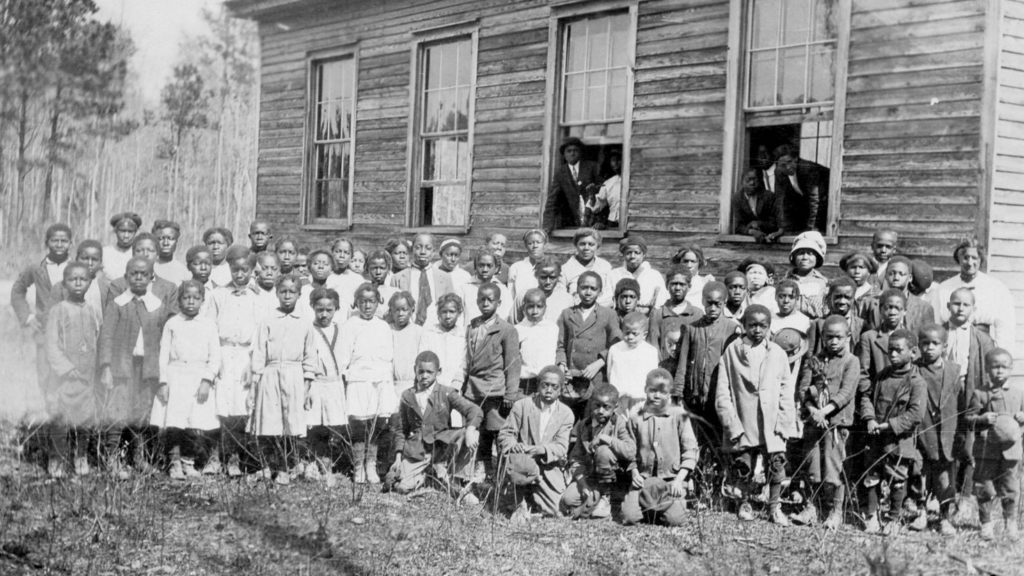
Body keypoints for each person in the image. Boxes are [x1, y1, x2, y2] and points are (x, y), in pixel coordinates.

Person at [716, 304, 796, 525]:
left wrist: (784, 419)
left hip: (771, 420)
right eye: (752, 325)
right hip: (744, 417)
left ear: (770, 328)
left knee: (777, 464)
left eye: (763, 326)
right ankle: (744, 502)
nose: (757, 330)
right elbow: (723, 391)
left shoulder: (778, 353)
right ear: (743, 326)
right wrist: (731, 422)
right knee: (743, 465)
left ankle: (774, 506)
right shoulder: (733, 351)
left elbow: (786, 390)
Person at [98, 257, 170, 479]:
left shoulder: (157, 306)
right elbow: (106, 337)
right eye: (134, 274)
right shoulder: (118, 303)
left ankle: (137, 458)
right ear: (126, 276)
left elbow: (162, 340)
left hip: (146, 368)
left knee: (141, 412)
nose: (139, 278)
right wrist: (106, 367)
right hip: (122, 367)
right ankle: (111, 458)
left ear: (151, 277)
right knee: (118, 411)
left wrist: (161, 374)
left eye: (143, 274)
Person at [790, 315, 859, 530]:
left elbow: (846, 393)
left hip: (837, 423)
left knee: (833, 467)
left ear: (848, 337)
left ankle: (836, 511)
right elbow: (803, 389)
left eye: (839, 337)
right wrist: (812, 411)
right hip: (814, 423)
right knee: (813, 465)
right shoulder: (814, 360)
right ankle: (812, 507)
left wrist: (825, 411)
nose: (834, 342)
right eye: (829, 337)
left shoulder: (851, 361)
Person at [248, 274, 317, 485]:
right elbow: (259, 351)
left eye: (292, 292)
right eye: (283, 291)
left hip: (294, 374)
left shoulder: (305, 322)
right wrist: (256, 380)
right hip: (270, 373)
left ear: (299, 294)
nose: (287, 296)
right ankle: (268, 466)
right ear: (277, 293)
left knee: (291, 423)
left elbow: (309, 355)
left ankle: (287, 467)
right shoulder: (268, 320)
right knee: (270, 421)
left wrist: (306, 385)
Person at [151, 280, 221, 480]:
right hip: (176, 376)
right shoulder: (172, 324)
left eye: (196, 298)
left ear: (202, 300)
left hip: (198, 377)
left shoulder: (208, 325)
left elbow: (215, 357)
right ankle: (173, 462)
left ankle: (188, 462)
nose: (191, 302)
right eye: (186, 298)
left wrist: (207, 380)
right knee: (174, 424)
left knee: (193, 422)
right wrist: (163, 382)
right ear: (180, 300)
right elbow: (163, 355)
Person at [389, 351, 482, 501]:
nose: (424, 376)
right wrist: (398, 455)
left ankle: (459, 483)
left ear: (438, 372)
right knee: (401, 487)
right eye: (421, 371)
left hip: (441, 445)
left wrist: (470, 430)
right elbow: (401, 428)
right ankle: (427, 474)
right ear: (415, 370)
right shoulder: (407, 396)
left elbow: (474, 410)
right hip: (418, 448)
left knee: (470, 434)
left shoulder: (446, 393)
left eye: (429, 372)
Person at [859, 329, 926, 534]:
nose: (893, 355)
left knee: (897, 476)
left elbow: (915, 414)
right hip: (876, 435)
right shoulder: (882, 376)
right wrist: (870, 418)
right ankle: (871, 516)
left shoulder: (917, 382)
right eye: (890, 350)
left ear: (913, 352)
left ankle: (893, 518)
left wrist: (890, 426)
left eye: (898, 350)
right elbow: (867, 398)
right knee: (872, 474)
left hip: (899, 439)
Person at [622, 368, 699, 527]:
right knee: (629, 517)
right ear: (645, 390)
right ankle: (649, 505)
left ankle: (662, 507)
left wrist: (678, 480)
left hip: (671, 481)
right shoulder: (636, 418)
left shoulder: (679, 415)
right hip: (643, 480)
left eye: (663, 392)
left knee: (675, 520)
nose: (657, 396)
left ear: (669, 394)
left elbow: (691, 451)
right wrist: (634, 472)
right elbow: (628, 451)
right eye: (652, 391)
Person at [43, 262, 100, 477]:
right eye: (72, 279)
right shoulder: (58, 310)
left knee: (84, 419)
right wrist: (66, 369)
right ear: (64, 283)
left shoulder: (92, 310)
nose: (78, 283)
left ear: (89, 282)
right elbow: (51, 344)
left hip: (86, 377)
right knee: (60, 418)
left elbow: (95, 340)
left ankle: (81, 455)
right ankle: (57, 457)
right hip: (64, 378)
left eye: (83, 279)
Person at [207, 250, 260, 478]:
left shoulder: (257, 299)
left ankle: (235, 458)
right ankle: (214, 457)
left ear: (251, 271)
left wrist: (252, 365)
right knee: (219, 407)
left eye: (244, 270)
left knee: (240, 408)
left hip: (245, 356)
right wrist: (214, 360)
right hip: (222, 352)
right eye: (235, 270)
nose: (240, 274)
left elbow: (259, 336)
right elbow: (209, 329)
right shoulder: (218, 295)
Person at [943, 287, 995, 514]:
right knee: (945, 439)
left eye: (966, 305)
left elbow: (989, 371)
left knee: (968, 442)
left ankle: (964, 495)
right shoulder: (939, 333)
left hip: (970, 390)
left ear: (973, 309)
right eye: (956, 303)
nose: (960, 308)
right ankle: (942, 493)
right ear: (948, 307)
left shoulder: (982, 339)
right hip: (945, 392)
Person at [498, 366, 574, 521]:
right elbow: (506, 434)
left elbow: (561, 447)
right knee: (519, 464)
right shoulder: (522, 405)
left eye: (554, 387)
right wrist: (514, 446)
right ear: (538, 385)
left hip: (547, 465)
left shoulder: (566, 414)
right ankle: (519, 501)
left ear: (560, 390)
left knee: (556, 510)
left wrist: (539, 450)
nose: (548, 390)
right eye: (545, 385)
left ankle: (533, 494)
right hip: (522, 461)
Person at [338, 283, 395, 484]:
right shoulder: (349, 325)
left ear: (378, 302)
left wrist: (386, 380)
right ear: (357, 303)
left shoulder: (383, 326)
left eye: (371, 301)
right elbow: (342, 357)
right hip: (358, 380)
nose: (367, 306)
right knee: (359, 425)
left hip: (379, 380)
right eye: (363, 302)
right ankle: (358, 466)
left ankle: (371, 465)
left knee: (377, 424)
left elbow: (388, 356)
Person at [465, 282, 522, 481]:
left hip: (495, 390)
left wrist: (510, 393)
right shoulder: (472, 326)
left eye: (490, 300)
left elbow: (513, 363)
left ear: (499, 302)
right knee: (480, 433)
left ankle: (502, 473)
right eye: (482, 299)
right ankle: (484, 468)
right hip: (473, 390)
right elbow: (467, 359)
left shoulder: (506, 329)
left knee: (496, 430)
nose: (486, 303)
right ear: (476, 301)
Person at [674, 282, 742, 448]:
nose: (712, 308)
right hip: (695, 392)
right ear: (703, 301)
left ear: (724, 303)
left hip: (718, 391)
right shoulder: (692, 328)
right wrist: (678, 391)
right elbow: (683, 361)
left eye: (717, 304)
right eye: (709, 303)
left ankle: (718, 469)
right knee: (696, 433)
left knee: (718, 434)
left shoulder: (732, 328)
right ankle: (699, 469)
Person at [966, 348, 1024, 539]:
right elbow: (967, 419)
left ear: (1011, 368)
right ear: (987, 369)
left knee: (1010, 487)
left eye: (1004, 367)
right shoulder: (980, 393)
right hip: (986, 449)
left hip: (1011, 450)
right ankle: (986, 524)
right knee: (985, 487)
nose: (999, 371)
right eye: (995, 367)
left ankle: (1011, 523)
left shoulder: (1018, 392)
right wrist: (981, 419)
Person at [11, 223, 73, 400]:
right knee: (45, 373)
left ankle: (67, 418)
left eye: (64, 241)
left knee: (69, 372)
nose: (59, 244)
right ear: (47, 243)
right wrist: (28, 317)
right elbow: (17, 290)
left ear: (71, 243)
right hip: (45, 330)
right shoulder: (36, 268)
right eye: (55, 240)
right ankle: (47, 415)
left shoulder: (78, 267)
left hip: (72, 330)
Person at [913, 324, 963, 534]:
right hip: (923, 430)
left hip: (946, 432)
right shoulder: (914, 369)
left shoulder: (953, 370)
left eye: (935, 344)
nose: (930, 348)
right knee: (919, 472)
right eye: (925, 343)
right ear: (919, 345)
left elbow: (959, 401)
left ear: (944, 346)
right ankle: (921, 512)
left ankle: (944, 516)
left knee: (945, 475)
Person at [560, 385, 635, 520]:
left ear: (615, 407)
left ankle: (606, 497)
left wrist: (605, 439)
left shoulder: (620, 423)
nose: (600, 411)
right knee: (568, 499)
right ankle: (596, 496)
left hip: (614, 477)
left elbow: (630, 451)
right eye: (597, 405)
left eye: (606, 407)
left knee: (603, 451)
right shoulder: (584, 425)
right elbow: (576, 459)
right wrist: (582, 483)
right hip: (592, 476)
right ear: (591, 404)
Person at [556, 271, 620, 421]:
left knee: (591, 420)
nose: (588, 292)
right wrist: (562, 364)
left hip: (595, 376)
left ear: (600, 291)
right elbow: (560, 345)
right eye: (584, 287)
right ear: (577, 289)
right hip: (571, 378)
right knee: (568, 421)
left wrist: (599, 363)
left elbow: (616, 344)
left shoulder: (608, 314)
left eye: (593, 288)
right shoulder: (567, 314)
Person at [304, 287, 349, 486]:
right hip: (316, 383)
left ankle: (330, 462)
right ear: (313, 308)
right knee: (316, 424)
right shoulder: (309, 329)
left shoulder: (342, 330)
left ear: (336, 309)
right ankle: (315, 462)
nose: (324, 314)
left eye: (329, 310)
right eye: (319, 309)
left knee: (335, 424)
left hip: (335, 383)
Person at [939, 238, 1016, 353]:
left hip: (983, 346)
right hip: (952, 344)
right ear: (958, 259)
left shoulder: (996, 287)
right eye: (965, 258)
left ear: (981, 260)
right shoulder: (944, 288)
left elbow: (1005, 326)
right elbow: (938, 321)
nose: (970, 263)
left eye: (974, 258)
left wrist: (1000, 354)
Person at [862, 256, 934, 335]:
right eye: (891, 273)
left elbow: (927, 337)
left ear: (910, 278)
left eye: (901, 274)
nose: (896, 278)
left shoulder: (924, 307)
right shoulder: (871, 304)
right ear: (886, 276)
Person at [648, 266, 704, 367]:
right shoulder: (658, 314)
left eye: (682, 284)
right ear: (666, 286)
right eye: (674, 284)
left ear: (689, 287)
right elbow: (653, 347)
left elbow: (699, 346)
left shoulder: (697, 314)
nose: (677, 288)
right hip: (664, 369)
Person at [543, 137, 602, 233]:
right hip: (572, 222)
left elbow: (604, 191)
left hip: (594, 220)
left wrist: (601, 221)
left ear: (580, 152)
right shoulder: (560, 173)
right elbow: (552, 201)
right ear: (564, 155)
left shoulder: (592, 167)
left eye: (575, 150)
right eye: (569, 151)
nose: (572, 153)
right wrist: (547, 226)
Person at [606, 312, 660, 412]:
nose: (630, 337)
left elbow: (653, 377)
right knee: (620, 425)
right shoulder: (615, 349)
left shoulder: (650, 351)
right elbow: (610, 372)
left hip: (640, 399)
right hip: (620, 399)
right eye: (627, 333)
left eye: (635, 334)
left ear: (644, 334)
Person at [773, 144, 829, 234]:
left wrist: (811, 228)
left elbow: (815, 200)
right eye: (783, 165)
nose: (787, 167)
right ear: (778, 165)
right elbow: (779, 200)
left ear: (795, 159)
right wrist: (781, 228)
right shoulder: (779, 172)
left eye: (790, 162)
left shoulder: (807, 169)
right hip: (808, 207)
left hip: (827, 204)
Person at [417, 293, 467, 391]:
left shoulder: (463, 336)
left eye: (452, 312)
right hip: (430, 386)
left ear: (459, 313)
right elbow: (423, 357)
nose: (448, 316)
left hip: (455, 386)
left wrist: (456, 384)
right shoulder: (429, 333)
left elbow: (464, 363)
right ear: (438, 313)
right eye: (444, 312)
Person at [608, 235, 666, 316]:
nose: (632, 256)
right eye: (629, 253)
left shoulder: (654, 275)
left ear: (644, 255)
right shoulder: (614, 274)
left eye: (637, 253)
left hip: (647, 317)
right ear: (623, 255)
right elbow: (607, 299)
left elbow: (661, 300)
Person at [515, 289, 559, 396]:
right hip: (525, 383)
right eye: (530, 307)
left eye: (539, 307)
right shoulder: (517, 329)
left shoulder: (552, 328)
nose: (535, 311)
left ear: (545, 308)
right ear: (523, 307)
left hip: (547, 382)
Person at [390, 233, 439, 326]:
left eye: (428, 248)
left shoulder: (444, 278)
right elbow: (393, 309)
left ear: (434, 252)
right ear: (412, 250)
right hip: (408, 330)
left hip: (435, 331)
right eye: (418, 247)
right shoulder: (397, 278)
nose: (423, 252)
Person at [806, 277, 864, 356]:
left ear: (853, 299)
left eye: (847, 297)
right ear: (830, 297)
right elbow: (809, 354)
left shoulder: (861, 325)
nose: (842, 301)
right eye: (837, 297)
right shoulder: (818, 324)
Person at [562, 228, 613, 308]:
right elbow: (562, 296)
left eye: (591, 244)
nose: (586, 248)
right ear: (576, 245)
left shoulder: (605, 266)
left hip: (601, 311)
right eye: (582, 244)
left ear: (597, 246)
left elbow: (609, 294)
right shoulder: (566, 269)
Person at [460, 249, 512, 327]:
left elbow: (507, 316)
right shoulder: (464, 289)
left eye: (489, 266)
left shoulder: (503, 290)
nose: (485, 269)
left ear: (496, 269)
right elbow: (459, 317)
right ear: (475, 267)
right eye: (481, 265)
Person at [508, 229, 556, 311]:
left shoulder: (552, 267)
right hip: (521, 311)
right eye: (530, 243)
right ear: (526, 246)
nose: (535, 246)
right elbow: (510, 295)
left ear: (545, 244)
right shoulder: (516, 267)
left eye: (538, 242)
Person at [784, 231, 828, 319]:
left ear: (817, 258)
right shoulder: (785, 281)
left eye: (810, 254)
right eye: (801, 253)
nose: (805, 257)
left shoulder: (823, 283)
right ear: (794, 257)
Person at [389, 291, 422, 398]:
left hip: (413, 386)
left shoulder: (419, 332)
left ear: (412, 310)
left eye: (404, 309)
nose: (400, 313)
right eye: (396, 310)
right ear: (391, 311)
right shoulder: (387, 330)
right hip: (390, 386)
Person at [732, 168, 781, 242]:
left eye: (755, 179)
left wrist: (759, 224)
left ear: (760, 181)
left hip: (770, 238)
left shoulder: (768, 197)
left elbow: (774, 223)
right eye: (748, 180)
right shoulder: (737, 198)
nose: (752, 183)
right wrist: (751, 231)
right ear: (742, 181)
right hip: (746, 243)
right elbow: (738, 226)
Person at [671, 245, 714, 311]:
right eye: (685, 261)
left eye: (693, 261)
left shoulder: (704, 283)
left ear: (699, 263)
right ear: (679, 262)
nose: (689, 265)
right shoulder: (672, 283)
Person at [588, 149, 622, 229]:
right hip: (612, 223)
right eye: (613, 160)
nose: (616, 163)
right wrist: (592, 196)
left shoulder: (632, 181)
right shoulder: (609, 183)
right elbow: (597, 208)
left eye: (619, 160)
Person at [151, 220, 189, 286]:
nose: (166, 243)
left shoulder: (183, 271)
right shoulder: (149, 267)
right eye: (160, 238)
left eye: (170, 238)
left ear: (177, 241)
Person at [105, 212, 141, 279]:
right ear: (115, 231)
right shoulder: (105, 253)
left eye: (130, 232)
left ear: (135, 232)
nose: (126, 236)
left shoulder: (140, 253)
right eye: (122, 231)